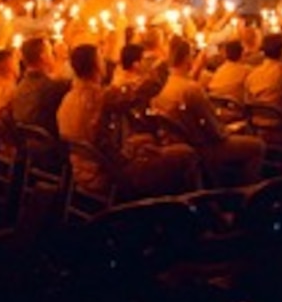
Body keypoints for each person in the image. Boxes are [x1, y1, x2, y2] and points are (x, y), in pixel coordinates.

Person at [58, 44, 200, 199]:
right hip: (109, 176)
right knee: (186, 153)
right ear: (95, 66)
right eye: (100, 58)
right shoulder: (101, 97)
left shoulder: (67, 99)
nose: (104, 61)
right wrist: (160, 66)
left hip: (82, 173)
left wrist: (134, 147)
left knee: (148, 141)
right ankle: (189, 211)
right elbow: (141, 93)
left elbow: (100, 140)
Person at [152, 38, 264, 187]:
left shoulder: (167, 86)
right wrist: (228, 131)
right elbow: (213, 130)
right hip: (204, 147)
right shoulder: (191, 89)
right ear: (187, 58)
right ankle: (249, 190)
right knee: (257, 146)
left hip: (186, 142)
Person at [11, 37, 71, 136]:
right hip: (51, 145)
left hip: (28, 143)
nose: (53, 56)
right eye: (51, 52)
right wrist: (61, 60)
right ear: (43, 57)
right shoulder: (51, 87)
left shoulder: (20, 85)